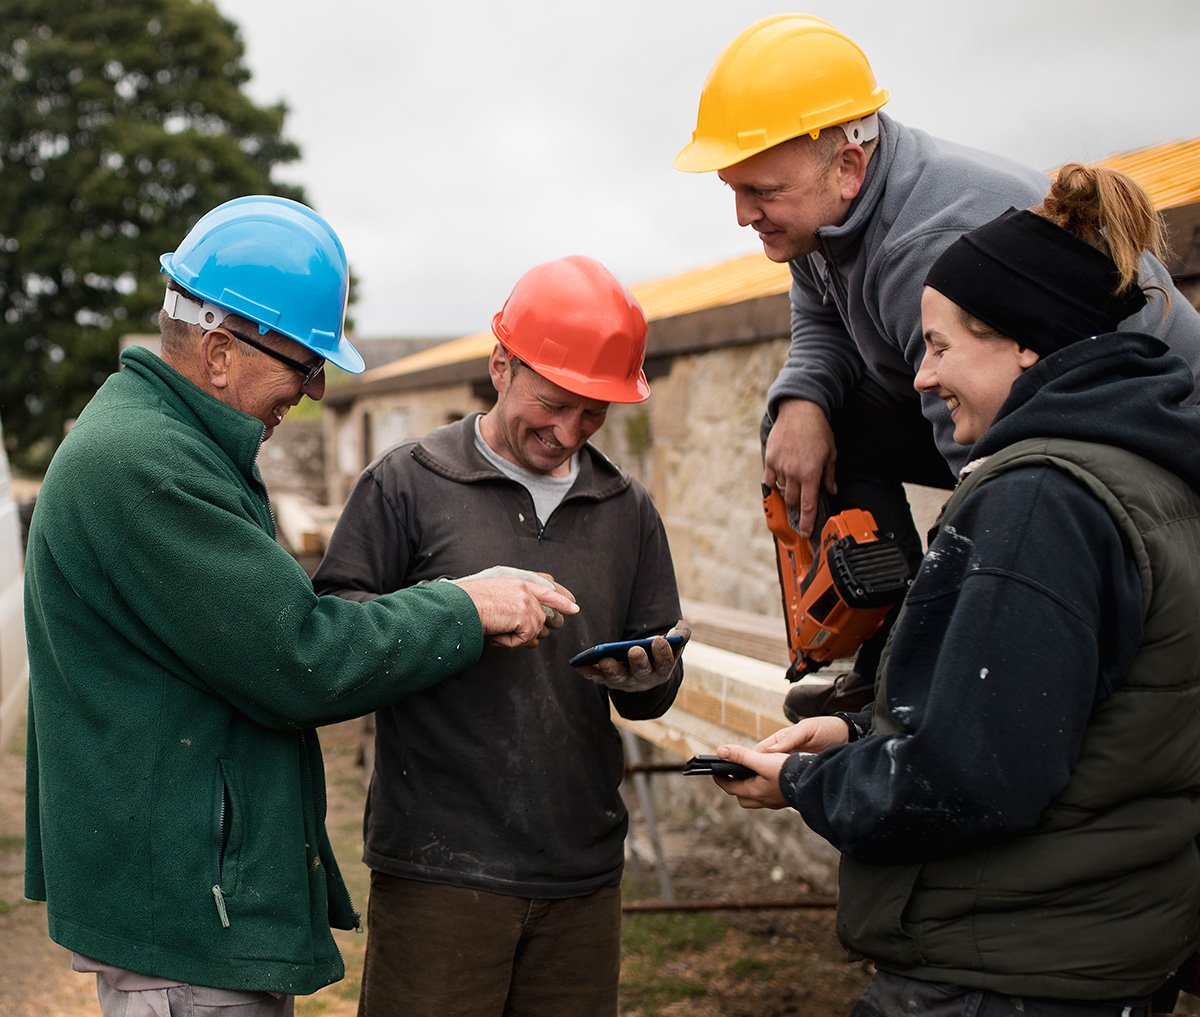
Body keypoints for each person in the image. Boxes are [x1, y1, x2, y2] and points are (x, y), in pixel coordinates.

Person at [23, 195, 580, 1017]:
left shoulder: (164, 439)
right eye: (302, 362)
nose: (315, 390)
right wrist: (465, 606)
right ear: (218, 352)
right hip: (185, 915)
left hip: (187, 898)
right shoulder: (152, 466)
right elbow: (302, 655)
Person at [712, 164, 1200, 1015]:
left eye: (938, 348)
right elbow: (1052, 708)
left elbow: (966, 777)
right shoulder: (1149, 474)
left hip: (1001, 969)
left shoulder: (1038, 498)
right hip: (1102, 950)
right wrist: (863, 726)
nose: (922, 379)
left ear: (1023, 341)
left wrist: (801, 784)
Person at [674, 14, 1200, 720]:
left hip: (1146, 428)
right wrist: (801, 399)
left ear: (850, 165)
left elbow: (985, 465)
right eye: (733, 189)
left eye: (762, 192)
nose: (744, 215)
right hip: (1033, 414)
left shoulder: (927, 246)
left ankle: (918, 663)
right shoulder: (820, 218)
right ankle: (887, 644)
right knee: (831, 411)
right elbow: (821, 316)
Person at [311, 254, 688, 1017]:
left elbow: (653, 683)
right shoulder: (406, 483)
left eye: (593, 413)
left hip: (580, 866)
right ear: (500, 364)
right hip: (439, 865)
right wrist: (454, 612)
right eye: (553, 403)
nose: (567, 430)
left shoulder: (626, 507)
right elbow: (335, 645)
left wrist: (651, 678)